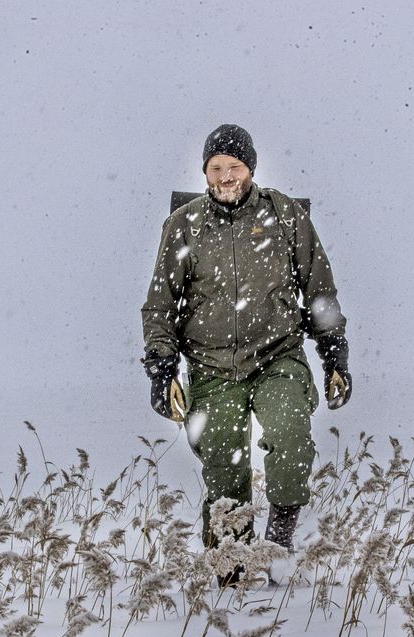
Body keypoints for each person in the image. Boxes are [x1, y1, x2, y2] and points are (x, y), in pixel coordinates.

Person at [140, 124, 351, 579]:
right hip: (211, 365)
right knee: (222, 463)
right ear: (205, 172)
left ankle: (277, 546)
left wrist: (336, 357)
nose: (225, 176)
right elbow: (160, 304)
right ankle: (231, 566)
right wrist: (162, 370)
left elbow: (320, 293)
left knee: (291, 433)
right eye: (216, 168)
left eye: (234, 166)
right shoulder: (184, 224)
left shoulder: (286, 215)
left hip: (277, 355)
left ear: (250, 168)